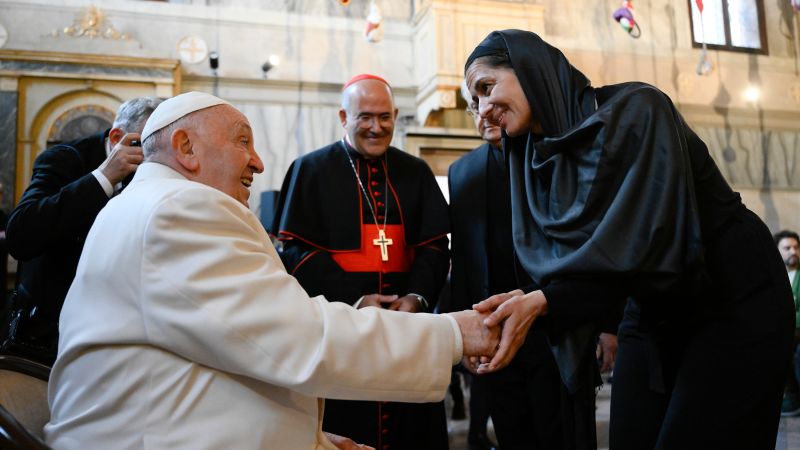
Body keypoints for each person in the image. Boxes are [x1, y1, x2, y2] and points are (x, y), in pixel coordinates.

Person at [45, 91, 501, 450]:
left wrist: (309, 439)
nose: (259, 162)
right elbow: (298, 339)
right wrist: (453, 335)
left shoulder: (147, 203)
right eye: (243, 140)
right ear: (185, 147)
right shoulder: (177, 210)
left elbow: (231, 347)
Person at [464, 30, 794, 450]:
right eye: (472, 105)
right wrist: (529, 301)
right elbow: (577, 265)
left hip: (730, 294)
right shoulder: (536, 163)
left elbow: (646, 245)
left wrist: (545, 300)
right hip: (651, 305)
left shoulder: (638, 108)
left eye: (486, 88)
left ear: (530, 66)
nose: (482, 113)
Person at [272, 74, 451, 450]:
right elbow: (296, 253)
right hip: (339, 333)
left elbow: (434, 246)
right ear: (343, 116)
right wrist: (358, 300)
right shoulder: (311, 169)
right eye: (365, 117)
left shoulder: (414, 172)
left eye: (385, 117)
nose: (376, 127)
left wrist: (417, 297)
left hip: (407, 333)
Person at [448, 87, 617, 450]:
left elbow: (590, 246)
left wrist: (607, 327)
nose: (484, 114)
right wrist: (462, 337)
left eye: (489, 103)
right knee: (514, 436)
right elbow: (462, 258)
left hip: (556, 330)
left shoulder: (551, 155)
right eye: (474, 107)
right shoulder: (461, 172)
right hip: (494, 337)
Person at [2, 96, 162, 365]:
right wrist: (103, 177)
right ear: (117, 137)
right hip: (48, 338)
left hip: (117, 337)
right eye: (148, 147)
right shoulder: (64, 158)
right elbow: (20, 235)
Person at [775, 230, 800, 416]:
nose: (793, 251)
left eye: (796, 247)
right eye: (787, 248)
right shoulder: (773, 275)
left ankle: (792, 396)